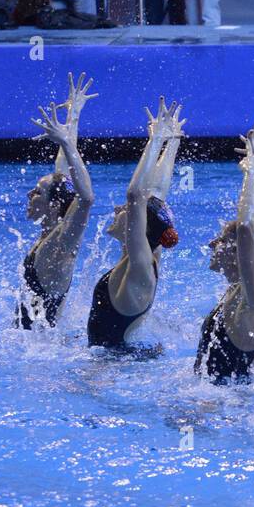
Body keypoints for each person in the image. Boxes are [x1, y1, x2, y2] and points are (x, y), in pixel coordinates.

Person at [87, 98, 183, 349]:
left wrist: (155, 140)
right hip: (120, 359)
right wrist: (173, 141)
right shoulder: (146, 254)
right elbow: (156, 194)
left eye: (126, 211)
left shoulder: (141, 267)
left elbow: (136, 195)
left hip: (107, 369)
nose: (119, 209)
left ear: (139, 226)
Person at [195, 120, 254, 383]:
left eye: (222, 239)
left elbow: (246, 228)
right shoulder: (236, 290)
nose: (213, 244)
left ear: (241, 253)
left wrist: (252, 173)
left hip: (225, 413)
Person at [18, 73, 97, 329]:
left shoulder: (62, 242)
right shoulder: (55, 230)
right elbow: (63, 171)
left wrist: (66, 141)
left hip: (37, 357)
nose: (30, 195)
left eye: (38, 192)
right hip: (37, 346)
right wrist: (73, 116)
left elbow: (86, 199)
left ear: (53, 206)